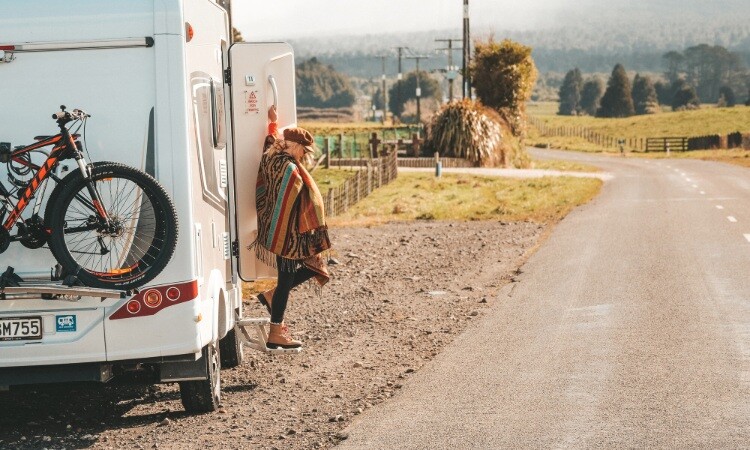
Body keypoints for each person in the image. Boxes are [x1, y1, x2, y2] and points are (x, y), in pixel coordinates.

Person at [250, 107, 331, 349]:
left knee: (304, 271)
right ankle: (276, 331)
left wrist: (273, 123)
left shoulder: (271, 154)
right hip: (289, 234)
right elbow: (292, 196)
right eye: (303, 151)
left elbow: (272, 138)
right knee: (291, 277)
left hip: (277, 228)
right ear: (295, 147)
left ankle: (271, 297)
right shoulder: (289, 169)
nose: (304, 156)